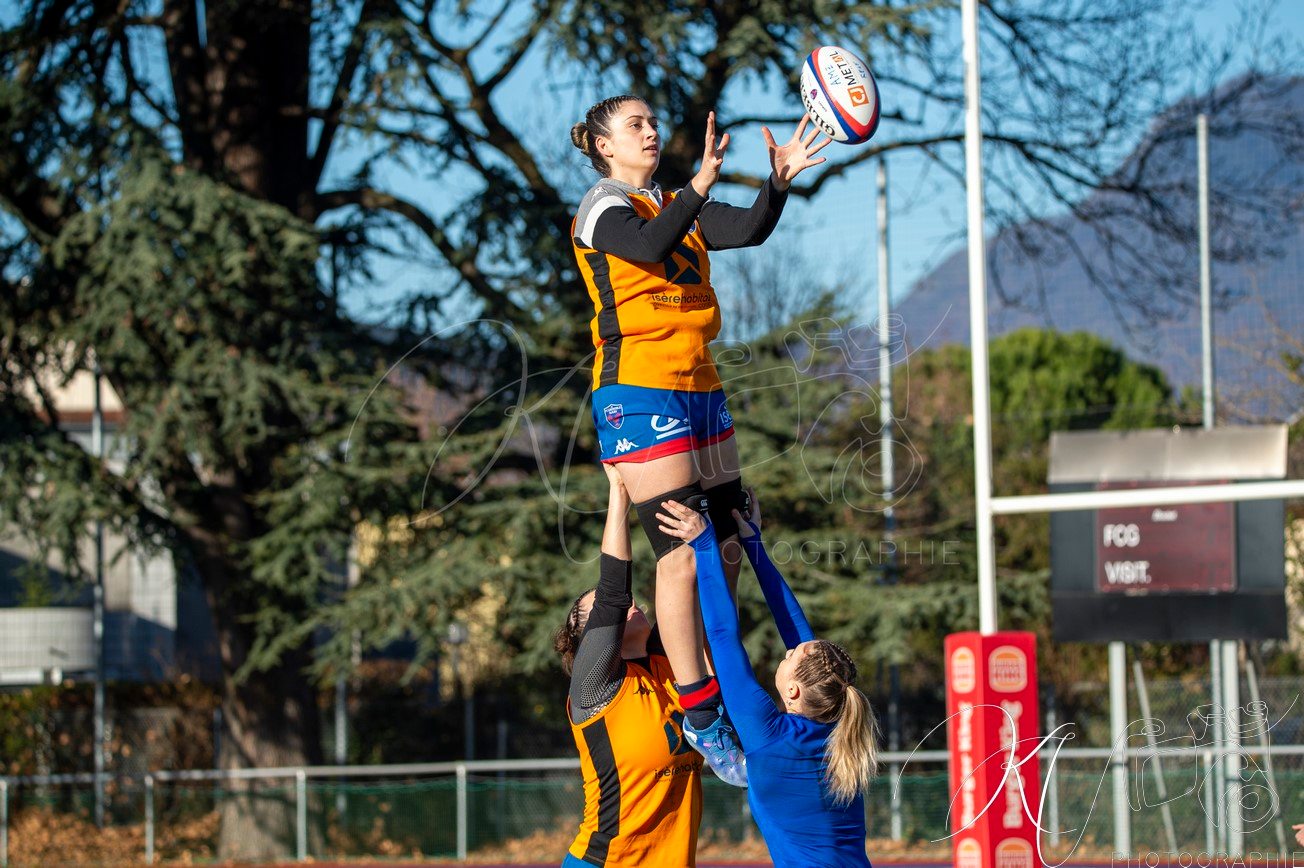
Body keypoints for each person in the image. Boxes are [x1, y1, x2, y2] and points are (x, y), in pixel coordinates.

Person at [570, 95, 831, 782]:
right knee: (682, 552)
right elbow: (650, 248)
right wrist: (700, 185)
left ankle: (708, 668)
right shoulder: (604, 208)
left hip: (699, 385)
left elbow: (748, 230)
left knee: (730, 534)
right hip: (639, 389)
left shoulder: (669, 203)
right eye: (635, 125)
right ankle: (702, 712)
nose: (651, 131)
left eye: (653, 122)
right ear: (603, 146)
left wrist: (775, 183)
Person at [656, 493, 878, 867]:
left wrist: (707, 545)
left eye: (789, 657)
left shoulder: (779, 732)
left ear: (793, 690)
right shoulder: (834, 729)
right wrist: (752, 543)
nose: (787, 651)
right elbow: (787, 633)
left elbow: (725, 635)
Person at [553, 465, 704, 867]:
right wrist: (620, 489)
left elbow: (682, 582)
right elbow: (614, 594)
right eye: (601, 611)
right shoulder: (595, 687)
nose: (629, 604)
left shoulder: (670, 667)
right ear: (590, 637)